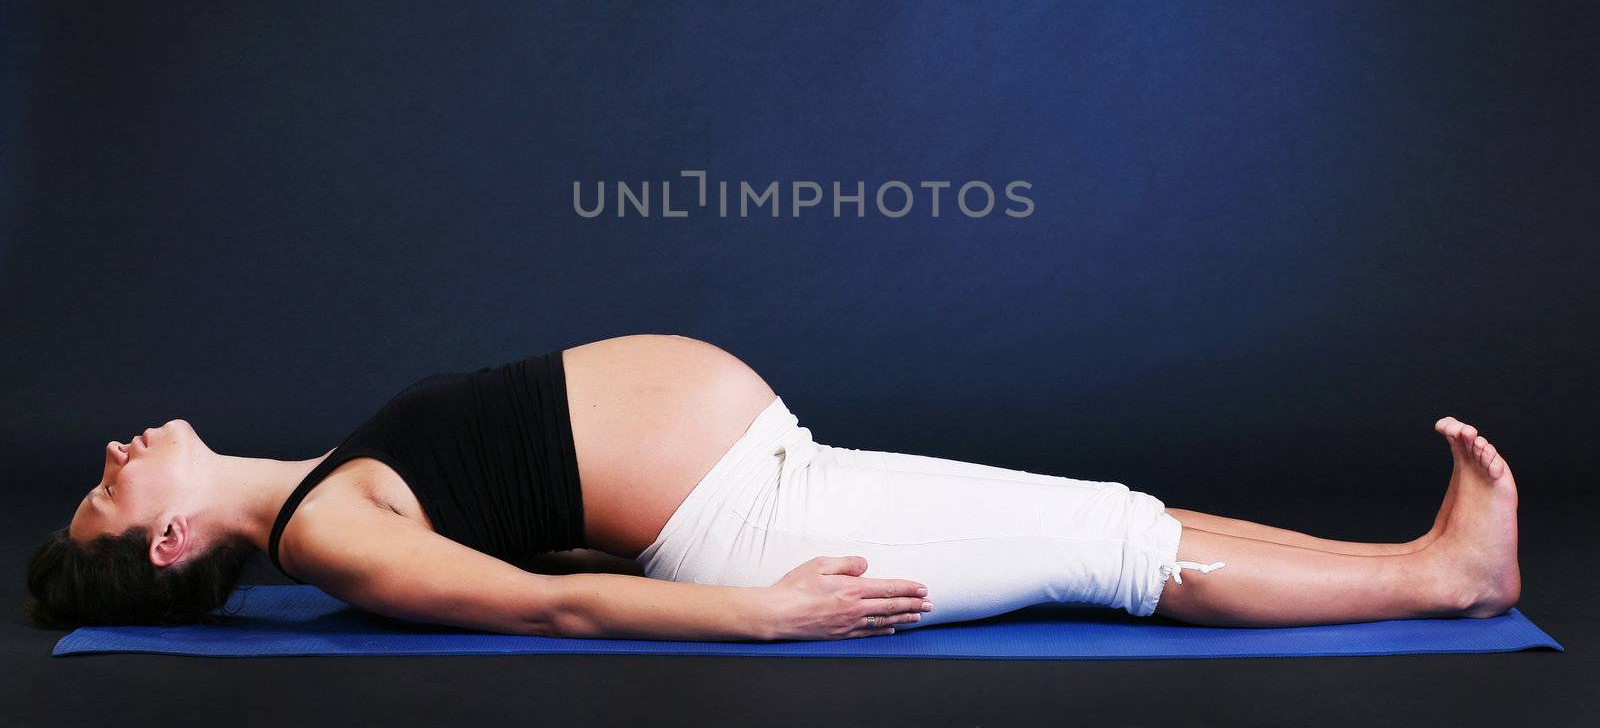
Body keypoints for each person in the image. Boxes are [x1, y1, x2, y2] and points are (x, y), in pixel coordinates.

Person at [26, 334, 1520, 638]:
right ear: (164, 543)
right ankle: (1445, 580)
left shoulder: (326, 491)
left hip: (771, 474)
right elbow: (555, 613)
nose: (109, 453)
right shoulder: (336, 537)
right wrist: (766, 619)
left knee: (1114, 512)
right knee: (1114, 556)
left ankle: (1418, 553)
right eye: (104, 493)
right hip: (757, 529)